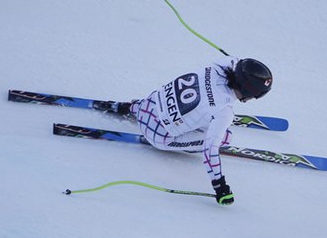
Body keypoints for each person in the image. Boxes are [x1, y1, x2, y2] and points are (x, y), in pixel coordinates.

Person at [112, 57, 273, 205]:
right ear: (248, 93)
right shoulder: (224, 113)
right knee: (225, 137)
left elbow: (236, 61)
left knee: (193, 107)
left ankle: (130, 108)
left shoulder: (217, 66)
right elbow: (209, 151)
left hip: (145, 106)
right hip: (156, 135)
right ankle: (186, 128)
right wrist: (220, 186)